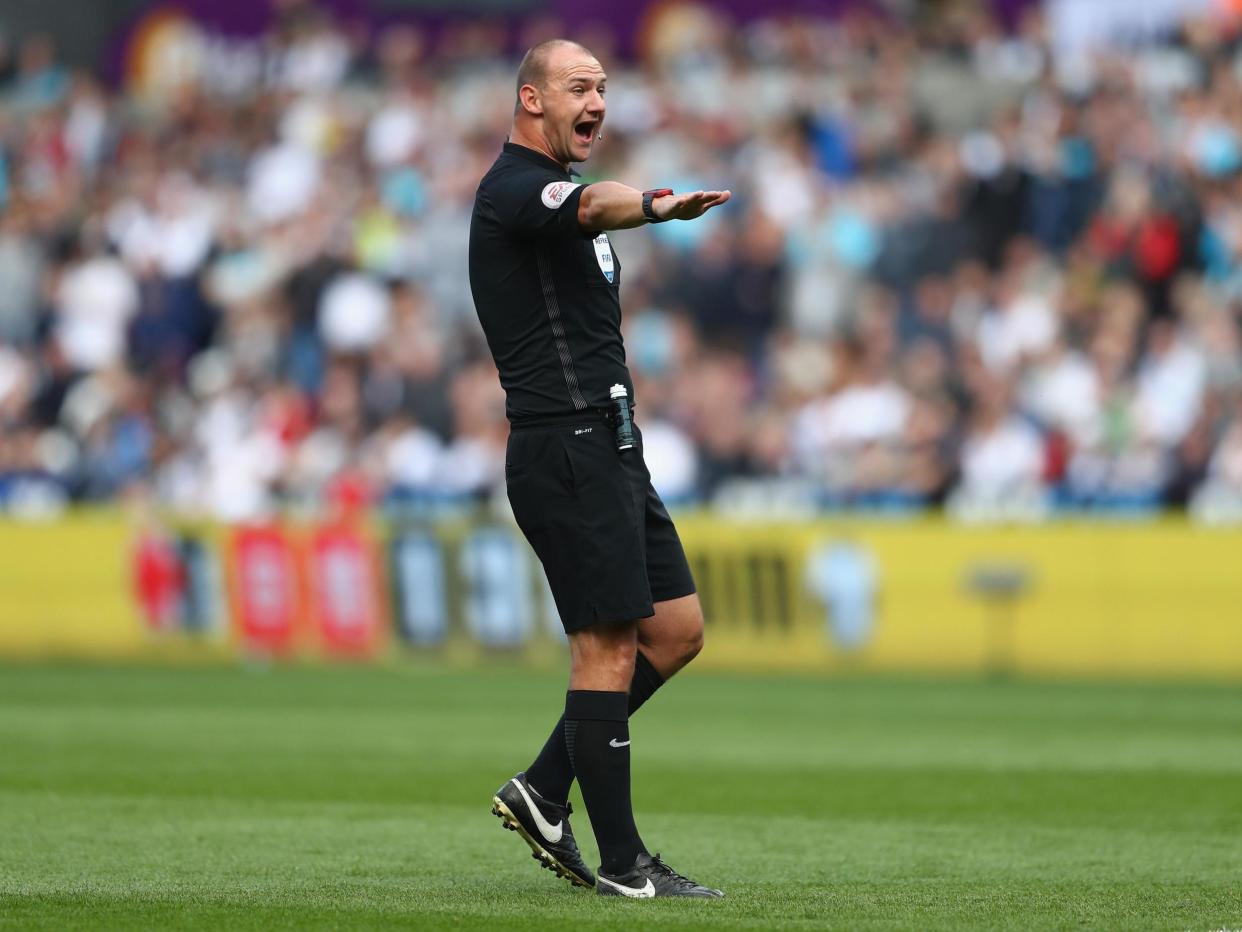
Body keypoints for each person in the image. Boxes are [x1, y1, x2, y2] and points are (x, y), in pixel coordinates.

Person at [469, 39, 730, 899]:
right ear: (530, 99)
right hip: (565, 443)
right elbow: (591, 210)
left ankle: (546, 788)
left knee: (676, 630)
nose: (597, 103)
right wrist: (656, 202)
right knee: (607, 645)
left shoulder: (560, 197)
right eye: (580, 87)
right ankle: (625, 865)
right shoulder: (516, 191)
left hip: (609, 441)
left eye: (604, 89)